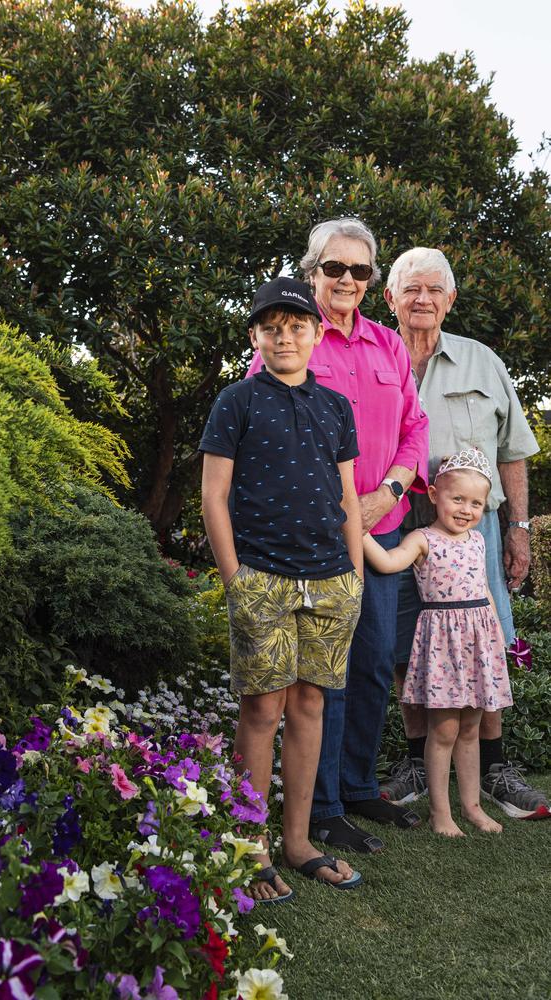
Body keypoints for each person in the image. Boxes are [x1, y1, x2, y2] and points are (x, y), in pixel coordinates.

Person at [247, 219, 430, 854]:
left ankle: (356, 785)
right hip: (317, 543)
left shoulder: (388, 345)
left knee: (376, 662)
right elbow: (264, 432)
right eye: (334, 268)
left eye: (359, 271)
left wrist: (394, 489)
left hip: (382, 526)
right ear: (312, 272)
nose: (347, 280)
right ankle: (320, 808)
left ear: (371, 279)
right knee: (324, 677)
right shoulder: (292, 340)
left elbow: (416, 424)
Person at [200, 276, 365, 901]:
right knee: (263, 708)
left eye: (296, 326)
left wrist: (351, 574)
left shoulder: (335, 407)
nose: (285, 336)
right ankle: (252, 846)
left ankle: (297, 842)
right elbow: (214, 495)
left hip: (330, 581)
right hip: (262, 578)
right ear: (256, 337)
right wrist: (235, 579)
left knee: (310, 706)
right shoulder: (236, 402)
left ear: (317, 334)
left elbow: (349, 496)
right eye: (271, 328)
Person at [379, 247, 549, 821]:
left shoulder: (483, 362)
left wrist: (518, 526)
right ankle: (414, 762)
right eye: (411, 289)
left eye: (434, 290)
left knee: (489, 638)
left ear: (450, 300)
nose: (422, 299)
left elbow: (513, 454)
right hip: (396, 522)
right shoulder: (374, 356)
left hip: (475, 530)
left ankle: (495, 765)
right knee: (405, 641)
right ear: (391, 299)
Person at [364, 448, 511, 836]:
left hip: (478, 643)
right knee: (443, 729)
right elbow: (388, 562)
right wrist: (358, 530)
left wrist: (495, 637)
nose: (466, 509)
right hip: (443, 643)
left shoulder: (478, 541)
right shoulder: (422, 539)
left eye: (475, 502)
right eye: (457, 499)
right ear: (433, 495)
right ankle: (440, 814)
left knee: (470, 729)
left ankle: (473, 806)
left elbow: (485, 591)